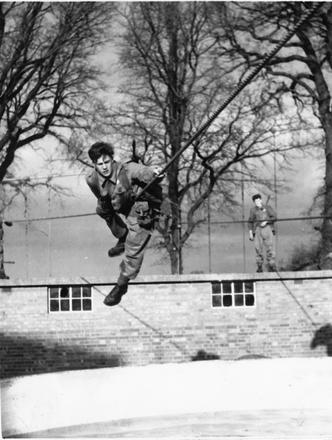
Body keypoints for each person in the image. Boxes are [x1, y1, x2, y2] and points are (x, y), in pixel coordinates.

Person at [86, 141, 163, 306]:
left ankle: (122, 284)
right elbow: (102, 198)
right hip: (121, 203)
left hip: (142, 206)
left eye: (107, 162)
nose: (105, 167)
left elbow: (144, 172)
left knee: (134, 245)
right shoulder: (92, 179)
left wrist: (154, 172)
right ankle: (122, 235)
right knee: (102, 208)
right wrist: (108, 206)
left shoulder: (127, 169)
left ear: (112, 160)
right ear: (94, 165)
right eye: (100, 164)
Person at [248, 193, 277, 272]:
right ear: (254, 202)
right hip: (257, 229)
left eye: (258, 200)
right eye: (255, 201)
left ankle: (271, 265)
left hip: (267, 228)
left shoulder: (267, 207)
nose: (257, 202)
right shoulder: (253, 210)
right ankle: (259, 266)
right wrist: (250, 232)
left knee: (270, 247)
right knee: (258, 248)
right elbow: (250, 221)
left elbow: (274, 217)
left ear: (261, 200)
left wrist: (267, 221)